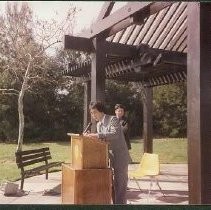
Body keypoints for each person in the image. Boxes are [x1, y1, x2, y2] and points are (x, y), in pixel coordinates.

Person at [83, 101, 129, 204]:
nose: (92, 115)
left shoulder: (113, 119)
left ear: (101, 111)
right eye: (91, 112)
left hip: (120, 157)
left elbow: (114, 134)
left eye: (94, 112)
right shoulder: (99, 124)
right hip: (109, 158)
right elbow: (102, 140)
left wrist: (96, 135)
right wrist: (90, 138)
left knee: (120, 186)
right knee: (111, 185)